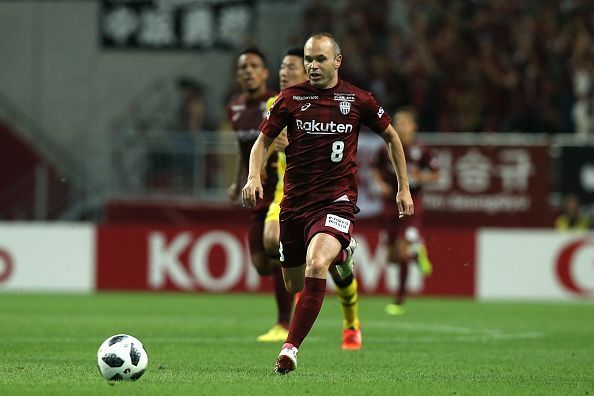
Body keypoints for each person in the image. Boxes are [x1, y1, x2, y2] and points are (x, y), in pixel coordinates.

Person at [242, 32, 414, 374]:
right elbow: (261, 143)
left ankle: (290, 349)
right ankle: (344, 254)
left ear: (337, 61)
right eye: (308, 59)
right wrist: (253, 177)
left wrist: (403, 188)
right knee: (293, 283)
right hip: (294, 205)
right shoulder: (289, 99)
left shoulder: (358, 99)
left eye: (320, 59)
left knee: (317, 266)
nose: (312, 66)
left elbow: (392, 137)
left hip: (336, 202)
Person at [262, 47, 364, 350]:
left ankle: (350, 321)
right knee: (273, 244)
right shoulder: (277, 103)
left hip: (326, 197)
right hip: (287, 194)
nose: (284, 72)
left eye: (292, 68)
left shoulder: (329, 101)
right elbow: (262, 144)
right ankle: (284, 319)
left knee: (321, 262)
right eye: (282, 67)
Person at [226, 47, 294, 342]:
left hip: (278, 188)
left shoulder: (276, 102)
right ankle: (299, 271)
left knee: (275, 247)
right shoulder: (235, 107)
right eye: (243, 67)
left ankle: (283, 323)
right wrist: (238, 179)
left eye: (254, 66)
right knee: (260, 263)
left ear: (265, 73)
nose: (248, 71)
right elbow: (245, 150)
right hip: (253, 189)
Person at [370, 107, 440, 316]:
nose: (401, 126)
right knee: (392, 257)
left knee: (401, 251)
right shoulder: (386, 148)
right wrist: (380, 183)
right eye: (398, 122)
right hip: (391, 203)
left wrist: (421, 177)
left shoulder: (422, 150)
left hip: (412, 203)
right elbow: (375, 168)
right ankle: (417, 251)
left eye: (405, 123)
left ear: (413, 126)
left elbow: (436, 174)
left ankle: (399, 299)